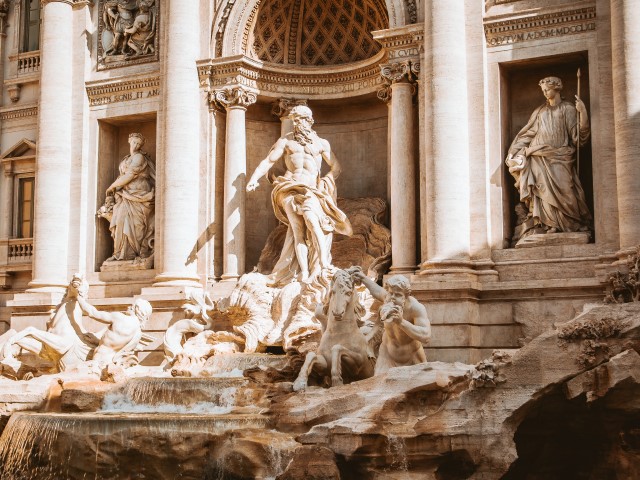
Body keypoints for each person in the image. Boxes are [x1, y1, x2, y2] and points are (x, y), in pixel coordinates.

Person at [246, 105, 352, 286]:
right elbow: (269, 161)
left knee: (313, 222)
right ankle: (303, 272)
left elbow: (336, 167)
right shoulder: (286, 142)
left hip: (311, 190)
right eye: (294, 120)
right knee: (298, 233)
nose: (296, 123)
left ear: (309, 120)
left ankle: (324, 263)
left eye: (300, 119)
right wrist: (254, 178)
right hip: (289, 188)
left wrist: (326, 182)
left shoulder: (321, 143)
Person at [505, 76, 592, 241]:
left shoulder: (568, 109)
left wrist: (583, 113)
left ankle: (570, 224)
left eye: (547, 89)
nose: (545, 93)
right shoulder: (540, 112)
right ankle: (548, 224)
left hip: (561, 156)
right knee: (542, 191)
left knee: (566, 189)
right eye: (543, 90)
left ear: (557, 87)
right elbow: (528, 134)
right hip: (538, 156)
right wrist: (514, 152)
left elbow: (579, 137)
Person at [354, 272, 431, 375]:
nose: (392, 298)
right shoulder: (388, 298)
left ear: (406, 296)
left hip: (413, 357)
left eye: (398, 295)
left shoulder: (415, 308)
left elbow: (426, 336)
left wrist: (401, 322)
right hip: (387, 356)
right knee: (379, 386)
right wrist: (363, 278)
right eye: (391, 293)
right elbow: (377, 290)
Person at [103, 132, 155, 262]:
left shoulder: (139, 158)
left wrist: (112, 187)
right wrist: (116, 188)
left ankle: (133, 253)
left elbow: (130, 175)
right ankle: (120, 253)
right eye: (134, 142)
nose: (136, 145)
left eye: (139, 143)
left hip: (139, 194)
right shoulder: (125, 159)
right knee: (120, 220)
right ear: (129, 141)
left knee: (137, 225)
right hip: (125, 195)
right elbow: (123, 176)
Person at [76, 296, 151, 365]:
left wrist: (78, 297)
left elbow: (92, 312)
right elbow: (115, 345)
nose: (128, 307)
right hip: (111, 362)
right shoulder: (138, 334)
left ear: (135, 309)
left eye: (131, 306)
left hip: (98, 361)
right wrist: (96, 341)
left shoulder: (120, 318)